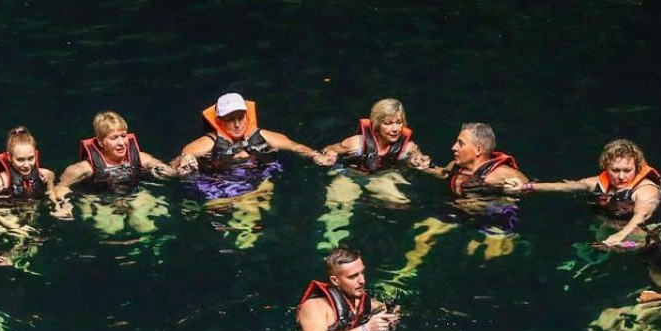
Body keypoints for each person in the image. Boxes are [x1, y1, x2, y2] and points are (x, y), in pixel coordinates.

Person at [315, 99, 430, 250]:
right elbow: (329, 149)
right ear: (376, 124)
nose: (395, 129)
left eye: (399, 122)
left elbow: (416, 156)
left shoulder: (408, 146)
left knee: (401, 204)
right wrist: (329, 155)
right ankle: (331, 245)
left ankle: (405, 244)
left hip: (383, 177)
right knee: (338, 207)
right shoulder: (356, 143)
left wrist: (418, 161)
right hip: (351, 175)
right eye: (388, 123)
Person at [504, 138, 661, 246]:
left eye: (627, 170)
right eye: (615, 170)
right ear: (605, 167)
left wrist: (620, 235)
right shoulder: (596, 183)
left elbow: (641, 215)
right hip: (607, 229)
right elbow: (563, 187)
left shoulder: (645, 190)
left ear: (637, 168)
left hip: (638, 235)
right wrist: (526, 187)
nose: (621, 176)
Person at [175, 92, 335, 175]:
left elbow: (295, 146)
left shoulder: (263, 136)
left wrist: (314, 155)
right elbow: (180, 160)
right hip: (223, 184)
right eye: (230, 119)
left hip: (259, 180)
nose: (237, 124)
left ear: (247, 116)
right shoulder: (208, 143)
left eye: (240, 118)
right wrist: (180, 167)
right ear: (219, 121)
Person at [54, 111, 177, 200]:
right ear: (101, 142)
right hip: (98, 199)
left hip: (134, 196)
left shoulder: (142, 158)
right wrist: (63, 206)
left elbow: (170, 171)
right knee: (113, 225)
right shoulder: (83, 169)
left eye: (123, 136)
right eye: (114, 138)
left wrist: (180, 166)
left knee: (146, 222)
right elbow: (60, 188)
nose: (121, 143)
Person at [297, 246, 400, 331]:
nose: (362, 280)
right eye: (353, 276)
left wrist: (392, 316)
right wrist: (365, 329)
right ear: (335, 281)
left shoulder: (366, 303)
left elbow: (388, 308)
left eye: (362, 273)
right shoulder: (314, 306)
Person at [420, 122, 527, 200]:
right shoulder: (454, 166)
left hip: (488, 221)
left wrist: (522, 187)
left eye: (461, 144)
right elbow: (442, 173)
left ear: (478, 150)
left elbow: (531, 187)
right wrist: (425, 167)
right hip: (454, 213)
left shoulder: (501, 173)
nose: (454, 147)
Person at [0, 126, 56, 200]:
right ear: (9, 157)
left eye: (31, 158)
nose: (27, 165)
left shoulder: (47, 175)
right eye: (20, 160)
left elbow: (52, 196)